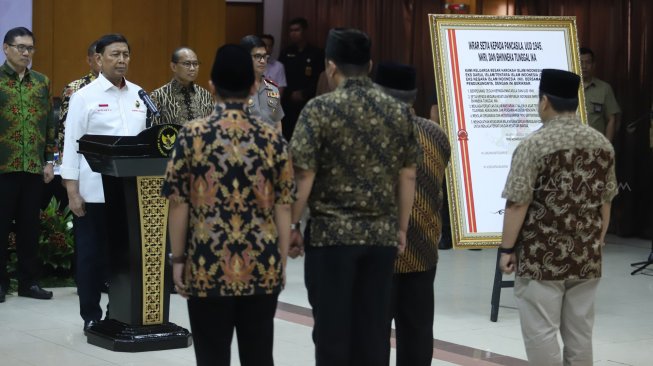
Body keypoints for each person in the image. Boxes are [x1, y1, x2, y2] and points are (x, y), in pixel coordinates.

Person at [288, 28, 420, 366]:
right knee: (374, 329)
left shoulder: (319, 110)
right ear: (370, 65)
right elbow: (407, 174)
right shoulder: (398, 111)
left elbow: (304, 174)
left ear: (331, 67)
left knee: (332, 331)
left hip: (331, 241)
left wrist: (290, 225)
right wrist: (401, 228)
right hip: (380, 239)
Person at [163, 44, 294, 366]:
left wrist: (177, 259)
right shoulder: (272, 138)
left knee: (211, 355)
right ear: (253, 87)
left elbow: (178, 203)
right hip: (261, 263)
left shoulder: (192, 135)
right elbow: (284, 205)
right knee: (259, 354)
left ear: (211, 86)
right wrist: (279, 262)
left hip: (207, 262)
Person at [499, 69, 618, 366]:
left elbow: (517, 204)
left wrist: (506, 249)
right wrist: (598, 238)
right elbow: (606, 201)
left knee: (541, 330)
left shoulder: (534, 145)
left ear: (544, 101)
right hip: (586, 255)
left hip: (542, 256)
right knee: (580, 332)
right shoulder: (602, 144)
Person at [60, 34, 147, 331]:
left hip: (129, 193)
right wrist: (72, 191)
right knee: (91, 259)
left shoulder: (140, 95)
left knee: (122, 258)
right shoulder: (84, 97)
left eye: (125, 54)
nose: (121, 60)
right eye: (114, 54)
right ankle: (91, 316)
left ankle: (118, 312)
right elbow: (71, 145)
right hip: (93, 192)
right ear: (99, 59)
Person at [374, 62, 451, 366]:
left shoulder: (373, 131)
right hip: (423, 247)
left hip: (381, 249)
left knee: (374, 331)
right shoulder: (435, 133)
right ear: (414, 95)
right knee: (417, 331)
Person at [0, 26, 55, 303]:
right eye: (20, 47)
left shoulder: (42, 82)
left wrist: (50, 160)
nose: (26, 53)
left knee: (29, 228)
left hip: (33, 166)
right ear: (6, 48)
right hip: (3, 167)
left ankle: (28, 283)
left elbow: (49, 125)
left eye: (30, 48)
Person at [279, 17, 324, 141]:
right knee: (287, 135)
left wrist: (304, 93)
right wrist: (289, 94)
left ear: (305, 31)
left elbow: (319, 79)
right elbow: (280, 76)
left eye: (297, 30)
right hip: (288, 102)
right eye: (291, 30)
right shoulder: (286, 52)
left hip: (307, 101)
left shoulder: (317, 53)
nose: (293, 33)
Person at [58, 40, 101, 158]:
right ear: (89, 60)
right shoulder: (74, 88)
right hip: (84, 155)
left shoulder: (119, 87)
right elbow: (65, 130)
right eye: (98, 57)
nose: (103, 62)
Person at [150, 47, 213, 126]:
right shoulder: (158, 96)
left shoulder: (205, 95)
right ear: (174, 66)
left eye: (195, 64)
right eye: (187, 64)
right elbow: (153, 131)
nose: (192, 68)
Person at [240, 35, 284, 132]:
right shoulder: (236, 87)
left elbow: (277, 122)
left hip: (270, 144)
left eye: (264, 56)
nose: (263, 61)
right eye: (257, 56)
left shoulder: (272, 87)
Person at [580, 47, 620, 142]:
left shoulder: (604, 88)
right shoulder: (568, 87)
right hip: (572, 145)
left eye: (588, 62)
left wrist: (606, 147)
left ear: (593, 65)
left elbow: (612, 119)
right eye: (581, 62)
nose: (584, 66)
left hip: (596, 145)